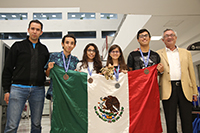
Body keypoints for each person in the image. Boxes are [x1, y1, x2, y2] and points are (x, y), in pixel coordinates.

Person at [2, 20, 49, 133]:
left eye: (37, 29)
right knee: (12, 125)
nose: (34, 31)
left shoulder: (44, 50)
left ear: (41, 32)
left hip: (38, 90)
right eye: (32, 29)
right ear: (28, 30)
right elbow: (7, 69)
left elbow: (47, 70)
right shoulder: (18, 46)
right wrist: (6, 90)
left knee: (36, 125)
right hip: (18, 89)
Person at [157, 29, 198, 133]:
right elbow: (156, 72)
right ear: (163, 40)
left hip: (185, 88)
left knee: (187, 120)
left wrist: (194, 91)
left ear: (175, 38)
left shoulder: (186, 53)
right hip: (168, 89)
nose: (169, 37)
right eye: (166, 36)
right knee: (170, 121)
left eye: (172, 35)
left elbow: (191, 72)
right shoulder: (158, 54)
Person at [45, 34, 79, 99]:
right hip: (55, 92)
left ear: (74, 46)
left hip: (69, 93)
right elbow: (47, 75)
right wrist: (49, 68)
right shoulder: (54, 56)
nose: (69, 45)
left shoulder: (75, 60)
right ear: (62, 44)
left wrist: (76, 74)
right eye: (67, 42)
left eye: (72, 43)